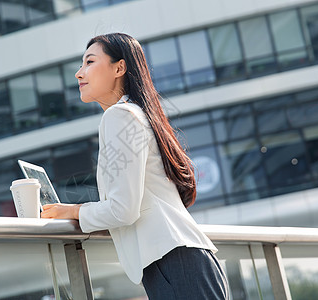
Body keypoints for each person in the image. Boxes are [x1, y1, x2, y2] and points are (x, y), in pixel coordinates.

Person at [41, 33, 229, 299]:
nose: (78, 73)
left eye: (89, 62)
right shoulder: (135, 114)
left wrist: (70, 211)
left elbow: (123, 210)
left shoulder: (120, 116)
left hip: (175, 264)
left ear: (119, 68)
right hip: (180, 262)